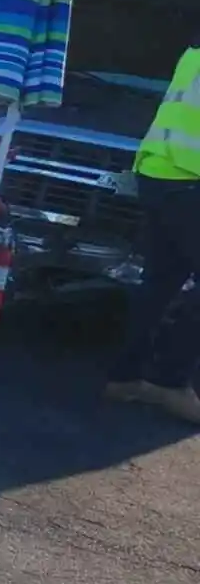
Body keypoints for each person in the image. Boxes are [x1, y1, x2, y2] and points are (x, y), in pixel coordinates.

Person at [106, 29, 200, 425]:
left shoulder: (193, 51)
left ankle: (125, 378)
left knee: (160, 281)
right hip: (190, 175)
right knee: (161, 282)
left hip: (160, 170)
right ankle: (169, 381)